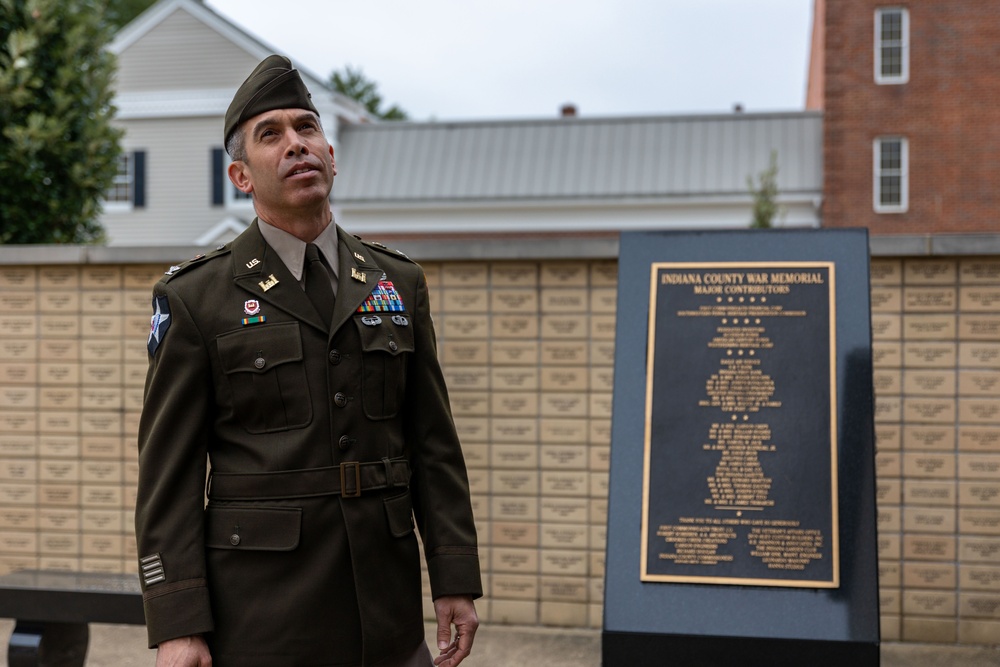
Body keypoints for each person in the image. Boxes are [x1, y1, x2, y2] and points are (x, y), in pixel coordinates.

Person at [134, 55, 482, 667]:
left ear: (332, 154)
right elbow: (170, 476)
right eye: (272, 135)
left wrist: (454, 575)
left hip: (386, 615)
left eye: (307, 127)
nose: (296, 144)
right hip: (265, 619)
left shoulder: (396, 281)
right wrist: (177, 622)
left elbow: (433, 445)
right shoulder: (195, 298)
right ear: (241, 177)